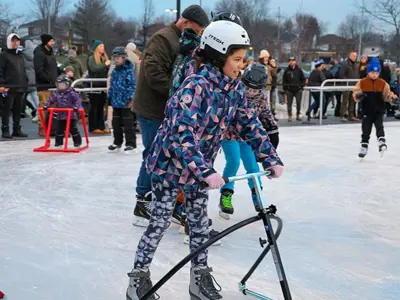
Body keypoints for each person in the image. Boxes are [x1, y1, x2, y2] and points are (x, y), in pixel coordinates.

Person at [126, 20, 284, 300]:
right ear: (219, 55)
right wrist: (205, 170)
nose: (241, 65)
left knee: (199, 223)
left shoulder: (234, 89)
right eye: (236, 59)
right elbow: (181, 135)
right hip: (169, 167)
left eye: (243, 58)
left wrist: (268, 156)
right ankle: (138, 279)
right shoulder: (194, 87)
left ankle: (199, 278)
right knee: (160, 221)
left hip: (199, 170)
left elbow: (249, 122)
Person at [132, 4, 209, 227]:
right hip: (152, 109)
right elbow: (153, 72)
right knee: (154, 153)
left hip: (168, 109)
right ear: (184, 23)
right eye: (197, 29)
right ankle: (143, 199)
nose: (199, 34)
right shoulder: (163, 39)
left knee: (171, 157)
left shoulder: (184, 41)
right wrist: (180, 95)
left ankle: (171, 200)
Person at [219, 63, 279, 218]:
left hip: (247, 136)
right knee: (233, 162)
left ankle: (258, 196)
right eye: (248, 89)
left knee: (252, 166)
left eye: (254, 90)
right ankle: (226, 195)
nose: (250, 93)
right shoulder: (234, 90)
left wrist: (273, 132)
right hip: (228, 134)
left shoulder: (261, 98)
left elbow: (266, 115)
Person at [353, 57, 397, 158]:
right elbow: (355, 91)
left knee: (379, 126)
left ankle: (381, 140)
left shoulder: (382, 83)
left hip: (379, 110)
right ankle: (364, 146)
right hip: (366, 110)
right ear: (368, 72)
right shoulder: (362, 82)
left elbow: (387, 94)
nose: (374, 75)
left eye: (377, 73)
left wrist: (393, 98)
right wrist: (359, 95)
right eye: (372, 72)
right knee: (366, 130)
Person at [107, 47, 136, 153]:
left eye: (118, 57)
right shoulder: (114, 72)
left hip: (125, 102)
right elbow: (112, 86)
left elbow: (132, 86)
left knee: (128, 123)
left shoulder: (128, 71)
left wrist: (130, 98)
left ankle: (130, 143)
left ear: (124, 58)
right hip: (116, 102)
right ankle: (117, 142)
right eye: (114, 57)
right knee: (116, 123)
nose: (116, 60)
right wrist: (109, 97)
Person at [0, 33, 29, 138]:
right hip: (8, 88)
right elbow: (0, 70)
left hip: (20, 87)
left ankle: (16, 129)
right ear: (9, 42)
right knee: (6, 110)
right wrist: (2, 84)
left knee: (18, 110)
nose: (15, 43)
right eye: (13, 41)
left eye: (17, 40)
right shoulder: (4, 55)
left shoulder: (20, 56)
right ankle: (5, 130)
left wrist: (25, 82)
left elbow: (23, 71)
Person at [43, 74, 83, 147]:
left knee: (73, 129)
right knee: (59, 130)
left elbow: (78, 100)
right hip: (60, 115)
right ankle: (59, 143)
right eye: (59, 85)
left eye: (63, 85)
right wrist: (46, 105)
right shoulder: (57, 94)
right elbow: (51, 100)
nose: (61, 86)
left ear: (67, 85)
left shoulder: (71, 93)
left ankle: (77, 142)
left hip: (70, 115)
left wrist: (76, 107)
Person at [34, 34, 58, 136]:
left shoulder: (51, 53)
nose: (53, 43)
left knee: (52, 108)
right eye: (51, 41)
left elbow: (54, 68)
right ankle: (42, 128)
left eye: (53, 41)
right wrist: (48, 80)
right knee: (44, 107)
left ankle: (51, 128)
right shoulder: (39, 53)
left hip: (53, 85)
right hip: (44, 86)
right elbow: (39, 70)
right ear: (45, 42)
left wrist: (63, 71)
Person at [87, 40, 110, 134]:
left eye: (103, 46)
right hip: (94, 85)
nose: (102, 48)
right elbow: (94, 69)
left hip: (103, 85)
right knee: (94, 106)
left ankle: (101, 126)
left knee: (101, 106)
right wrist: (104, 65)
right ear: (96, 48)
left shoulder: (104, 58)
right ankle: (93, 126)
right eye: (100, 46)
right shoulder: (91, 58)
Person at [282, 56, 305, 121]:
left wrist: (301, 86)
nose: (291, 62)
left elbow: (303, 79)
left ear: (295, 61)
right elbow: (284, 80)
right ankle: (289, 115)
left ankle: (298, 115)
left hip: (298, 90)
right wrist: (285, 89)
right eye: (290, 61)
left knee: (298, 102)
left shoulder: (299, 70)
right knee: (289, 103)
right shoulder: (287, 70)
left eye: (293, 60)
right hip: (289, 90)